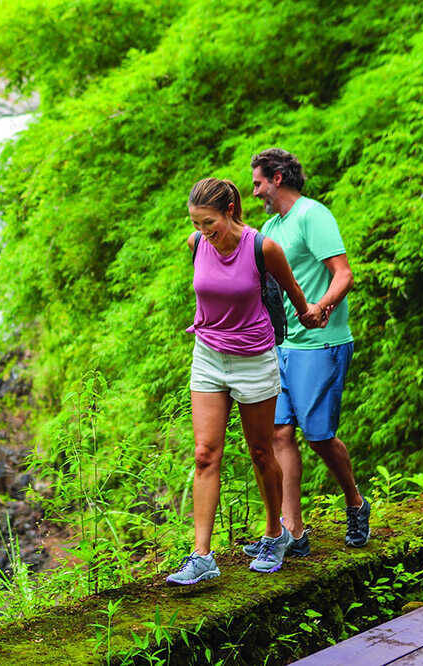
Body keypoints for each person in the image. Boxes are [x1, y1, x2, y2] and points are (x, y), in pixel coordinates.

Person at [167, 177, 317, 586]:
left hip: (254, 360)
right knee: (203, 454)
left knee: (261, 451)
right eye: (197, 224)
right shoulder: (196, 245)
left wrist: (308, 314)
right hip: (208, 358)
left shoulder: (261, 247)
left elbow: (292, 291)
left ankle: (275, 533)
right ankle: (201, 555)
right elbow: (208, 289)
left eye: (209, 223)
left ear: (230, 211)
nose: (203, 232)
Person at [244, 148, 370, 559]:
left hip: (321, 343)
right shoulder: (271, 226)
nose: (255, 188)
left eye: (259, 180)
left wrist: (322, 307)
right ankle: (291, 529)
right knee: (279, 433)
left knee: (318, 436)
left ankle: (355, 502)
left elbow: (343, 273)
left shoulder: (312, 216)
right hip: (281, 344)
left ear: (277, 178)